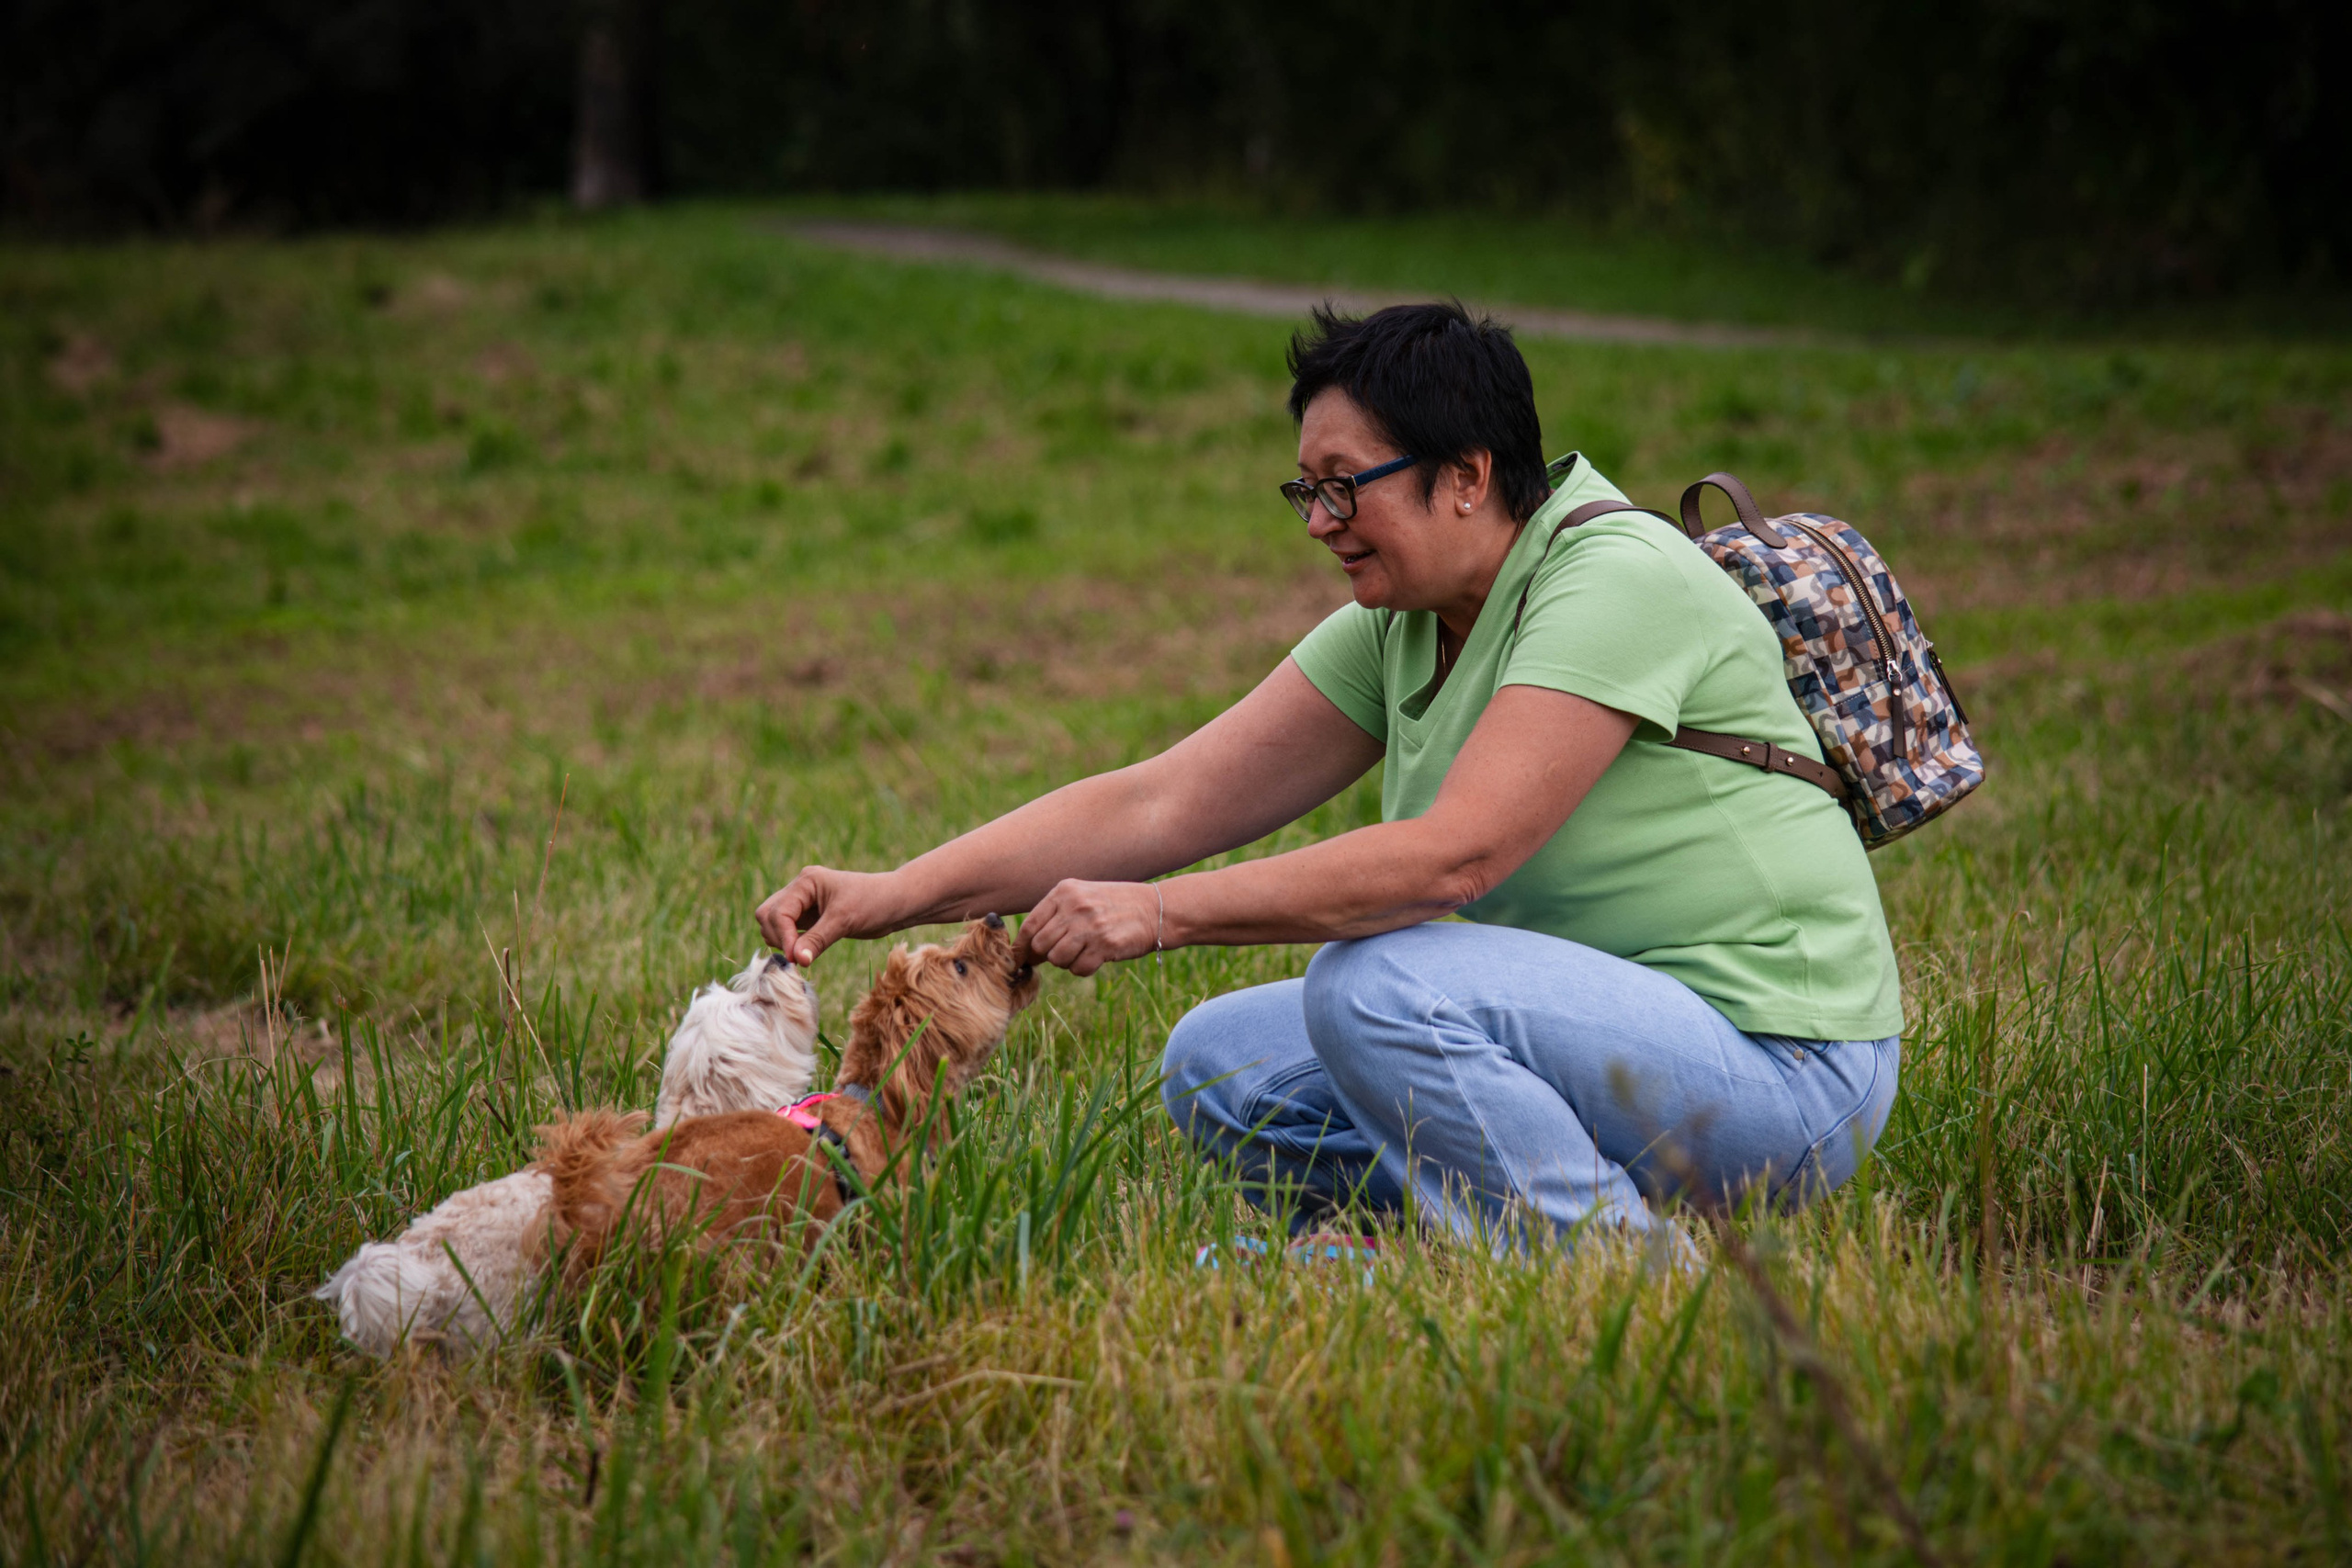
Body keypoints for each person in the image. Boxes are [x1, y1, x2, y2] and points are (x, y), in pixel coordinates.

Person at [756, 301, 1904, 1249]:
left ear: (1465, 475)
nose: (1319, 522)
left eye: (1344, 485)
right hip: (1591, 1041)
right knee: (1214, 1066)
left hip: (1775, 1072)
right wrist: (890, 892)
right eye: (1307, 489)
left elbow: (1458, 856)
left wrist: (1160, 914)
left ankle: (1611, 1266)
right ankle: (1430, 1243)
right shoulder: (1406, 618)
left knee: (1377, 985)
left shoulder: (1612, 577)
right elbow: (1161, 800)